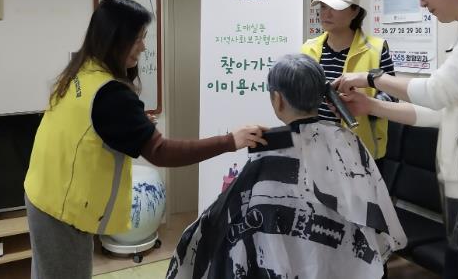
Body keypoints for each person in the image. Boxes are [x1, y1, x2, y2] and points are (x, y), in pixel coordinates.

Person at [23, 0, 265, 279]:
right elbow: (160, 152)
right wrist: (230, 141)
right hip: (62, 210)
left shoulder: (83, 69)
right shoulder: (110, 93)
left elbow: (85, 127)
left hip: (43, 193)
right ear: (116, 38)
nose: (143, 47)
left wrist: (130, 125)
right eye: (138, 38)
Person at [166, 54, 406, 279]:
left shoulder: (270, 150)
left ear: (277, 99)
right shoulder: (348, 141)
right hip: (344, 263)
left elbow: (222, 224)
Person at [335, 0, 458, 279]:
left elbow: (436, 92)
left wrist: (373, 77)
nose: (421, 2)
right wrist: (370, 105)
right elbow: (442, 110)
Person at [302, 0, 395, 160]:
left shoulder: (376, 49)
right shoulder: (308, 48)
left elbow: (391, 97)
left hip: (361, 151)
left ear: (355, 11)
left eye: (334, 7)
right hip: (316, 147)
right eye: (323, 7)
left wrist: (365, 103)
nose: (326, 13)